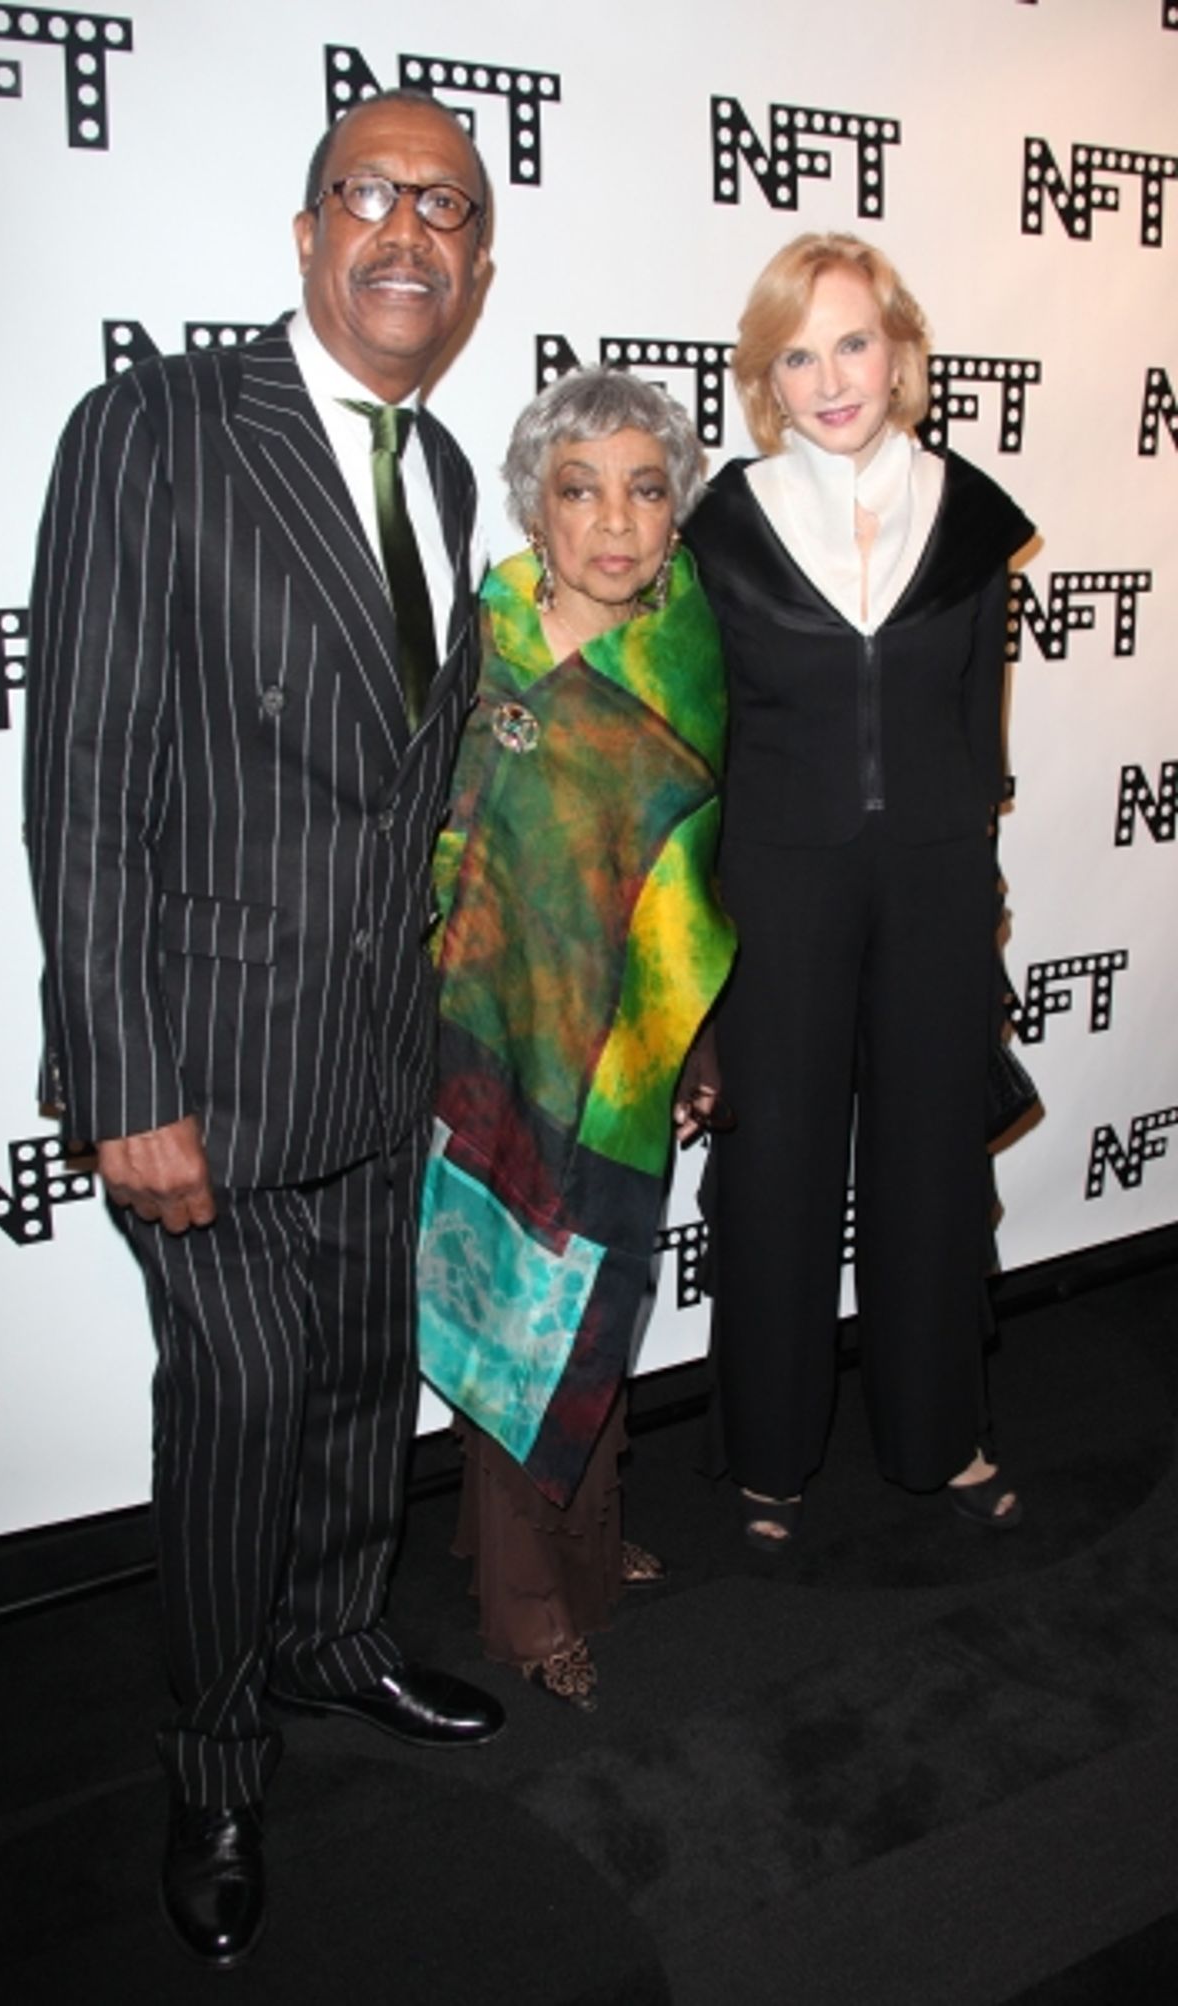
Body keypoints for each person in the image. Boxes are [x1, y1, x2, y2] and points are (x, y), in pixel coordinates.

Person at [24, 91, 503, 1970]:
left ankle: (327, 1637)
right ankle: (213, 1759)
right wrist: (122, 1078)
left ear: (475, 261)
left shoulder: (450, 472)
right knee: (230, 1415)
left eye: (447, 207)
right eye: (372, 196)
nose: (410, 232)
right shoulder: (154, 427)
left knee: (348, 1397)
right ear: (308, 234)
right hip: (201, 1077)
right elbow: (88, 787)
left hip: (377, 1062)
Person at [683, 234, 1033, 1549]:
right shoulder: (724, 522)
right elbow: (700, 732)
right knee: (776, 1158)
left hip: (939, 874)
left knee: (929, 1156)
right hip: (776, 880)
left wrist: (981, 888)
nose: (830, 377)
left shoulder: (975, 513)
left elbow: (976, 725)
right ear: (766, 376)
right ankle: (770, 1449)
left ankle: (937, 1432)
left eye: (851, 342)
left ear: (898, 350)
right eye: (796, 352)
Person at [417, 367, 736, 1708]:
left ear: (677, 514)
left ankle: (589, 1554)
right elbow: (428, 841)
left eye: (646, 489)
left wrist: (694, 1043)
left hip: (623, 1061)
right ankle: (525, 1603)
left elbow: (690, 875)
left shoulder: (688, 655)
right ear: (533, 509)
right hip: (483, 1042)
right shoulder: (473, 641)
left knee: (596, 1302)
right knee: (510, 1317)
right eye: (581, 488)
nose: (616, 520)